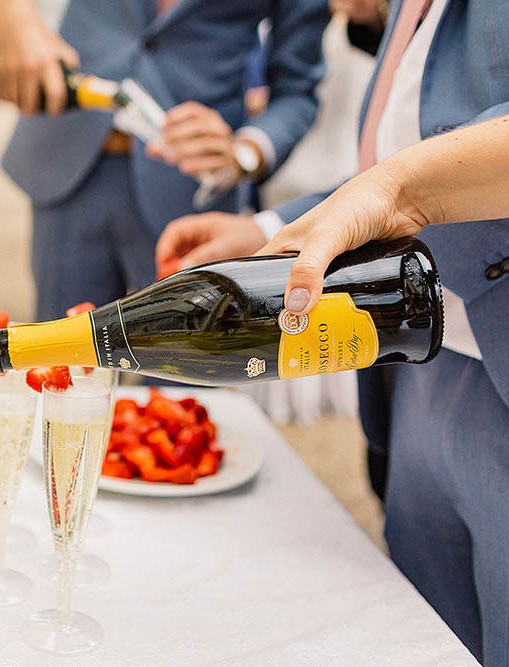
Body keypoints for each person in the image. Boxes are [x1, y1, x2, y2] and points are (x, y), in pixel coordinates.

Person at [156, 0, 509, 661]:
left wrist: (400, 189)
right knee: (426, 634)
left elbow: (407, 177)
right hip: (420, 369)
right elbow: (399, 156)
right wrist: (263, 228)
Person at [0, 0, 329, 320]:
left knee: (185, 377)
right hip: (70, 162)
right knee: (64, 369)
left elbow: (296, 91)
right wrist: (12, 16)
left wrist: (244, 152)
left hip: (191, 194)